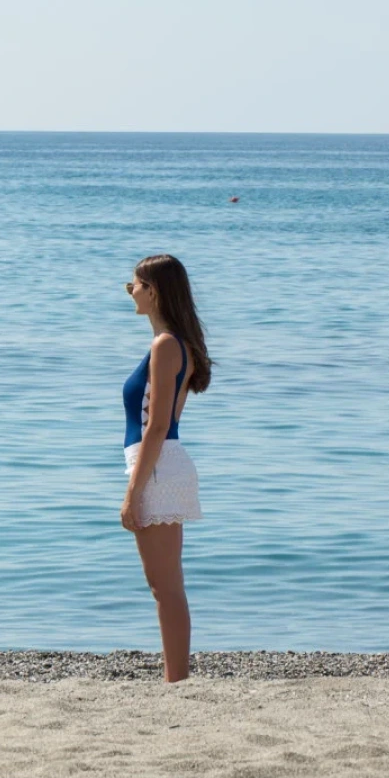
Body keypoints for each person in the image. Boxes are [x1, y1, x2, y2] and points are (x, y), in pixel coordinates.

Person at [120, 253, 213, 683]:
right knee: (168, 585)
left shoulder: (165, 346)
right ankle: (176, 677)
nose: (129, 292)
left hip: (155, 467)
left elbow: (157, 426)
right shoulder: (180, 345)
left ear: (153, 292)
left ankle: (176, 680)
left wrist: (133, 493)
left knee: (165, 587)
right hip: (166, 464)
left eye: (133, 285)